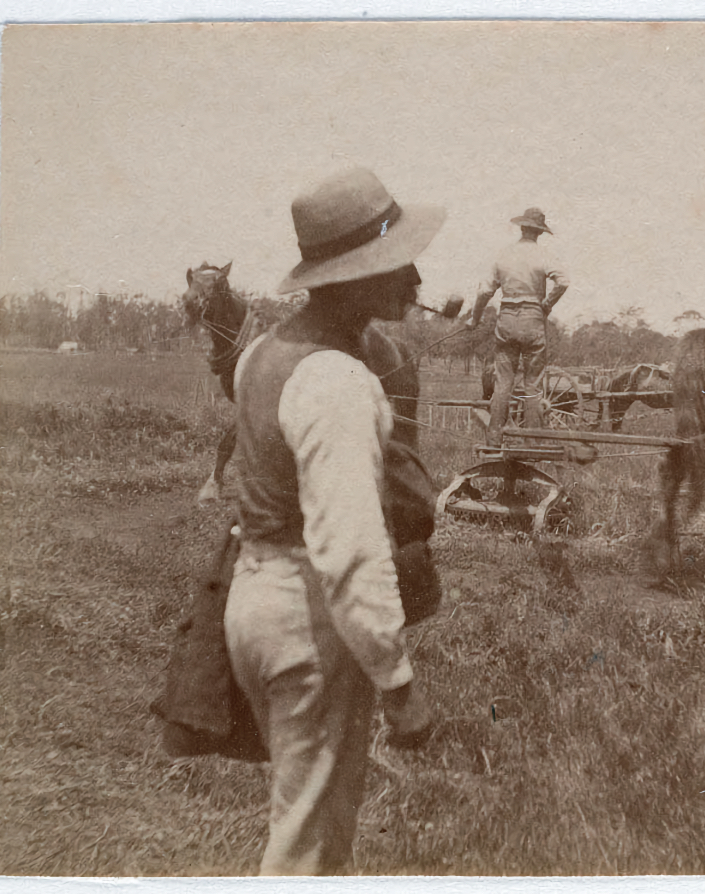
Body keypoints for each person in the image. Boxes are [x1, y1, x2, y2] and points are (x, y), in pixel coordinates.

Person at [225, 167, 443, 875]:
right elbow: (350, 550)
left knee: (299, 818)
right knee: (307, 852)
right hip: (309, 620)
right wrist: (399, 685)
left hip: (254, 600)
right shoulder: (335, 381)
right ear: (356, 275)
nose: (414, 279)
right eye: (397, 262)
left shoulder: (262, 354)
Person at [468, 207, 569, 446]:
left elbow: (484, 291)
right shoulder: (544, 255)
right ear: (540, 232)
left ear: (522, 228)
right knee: (532, 384)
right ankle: (532, 443)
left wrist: (474, 318)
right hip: (533, 319)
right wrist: (546, 305)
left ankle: (494, 440)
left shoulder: (504, 255)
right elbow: (563, 282)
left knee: (503, 382)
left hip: (506, 320)